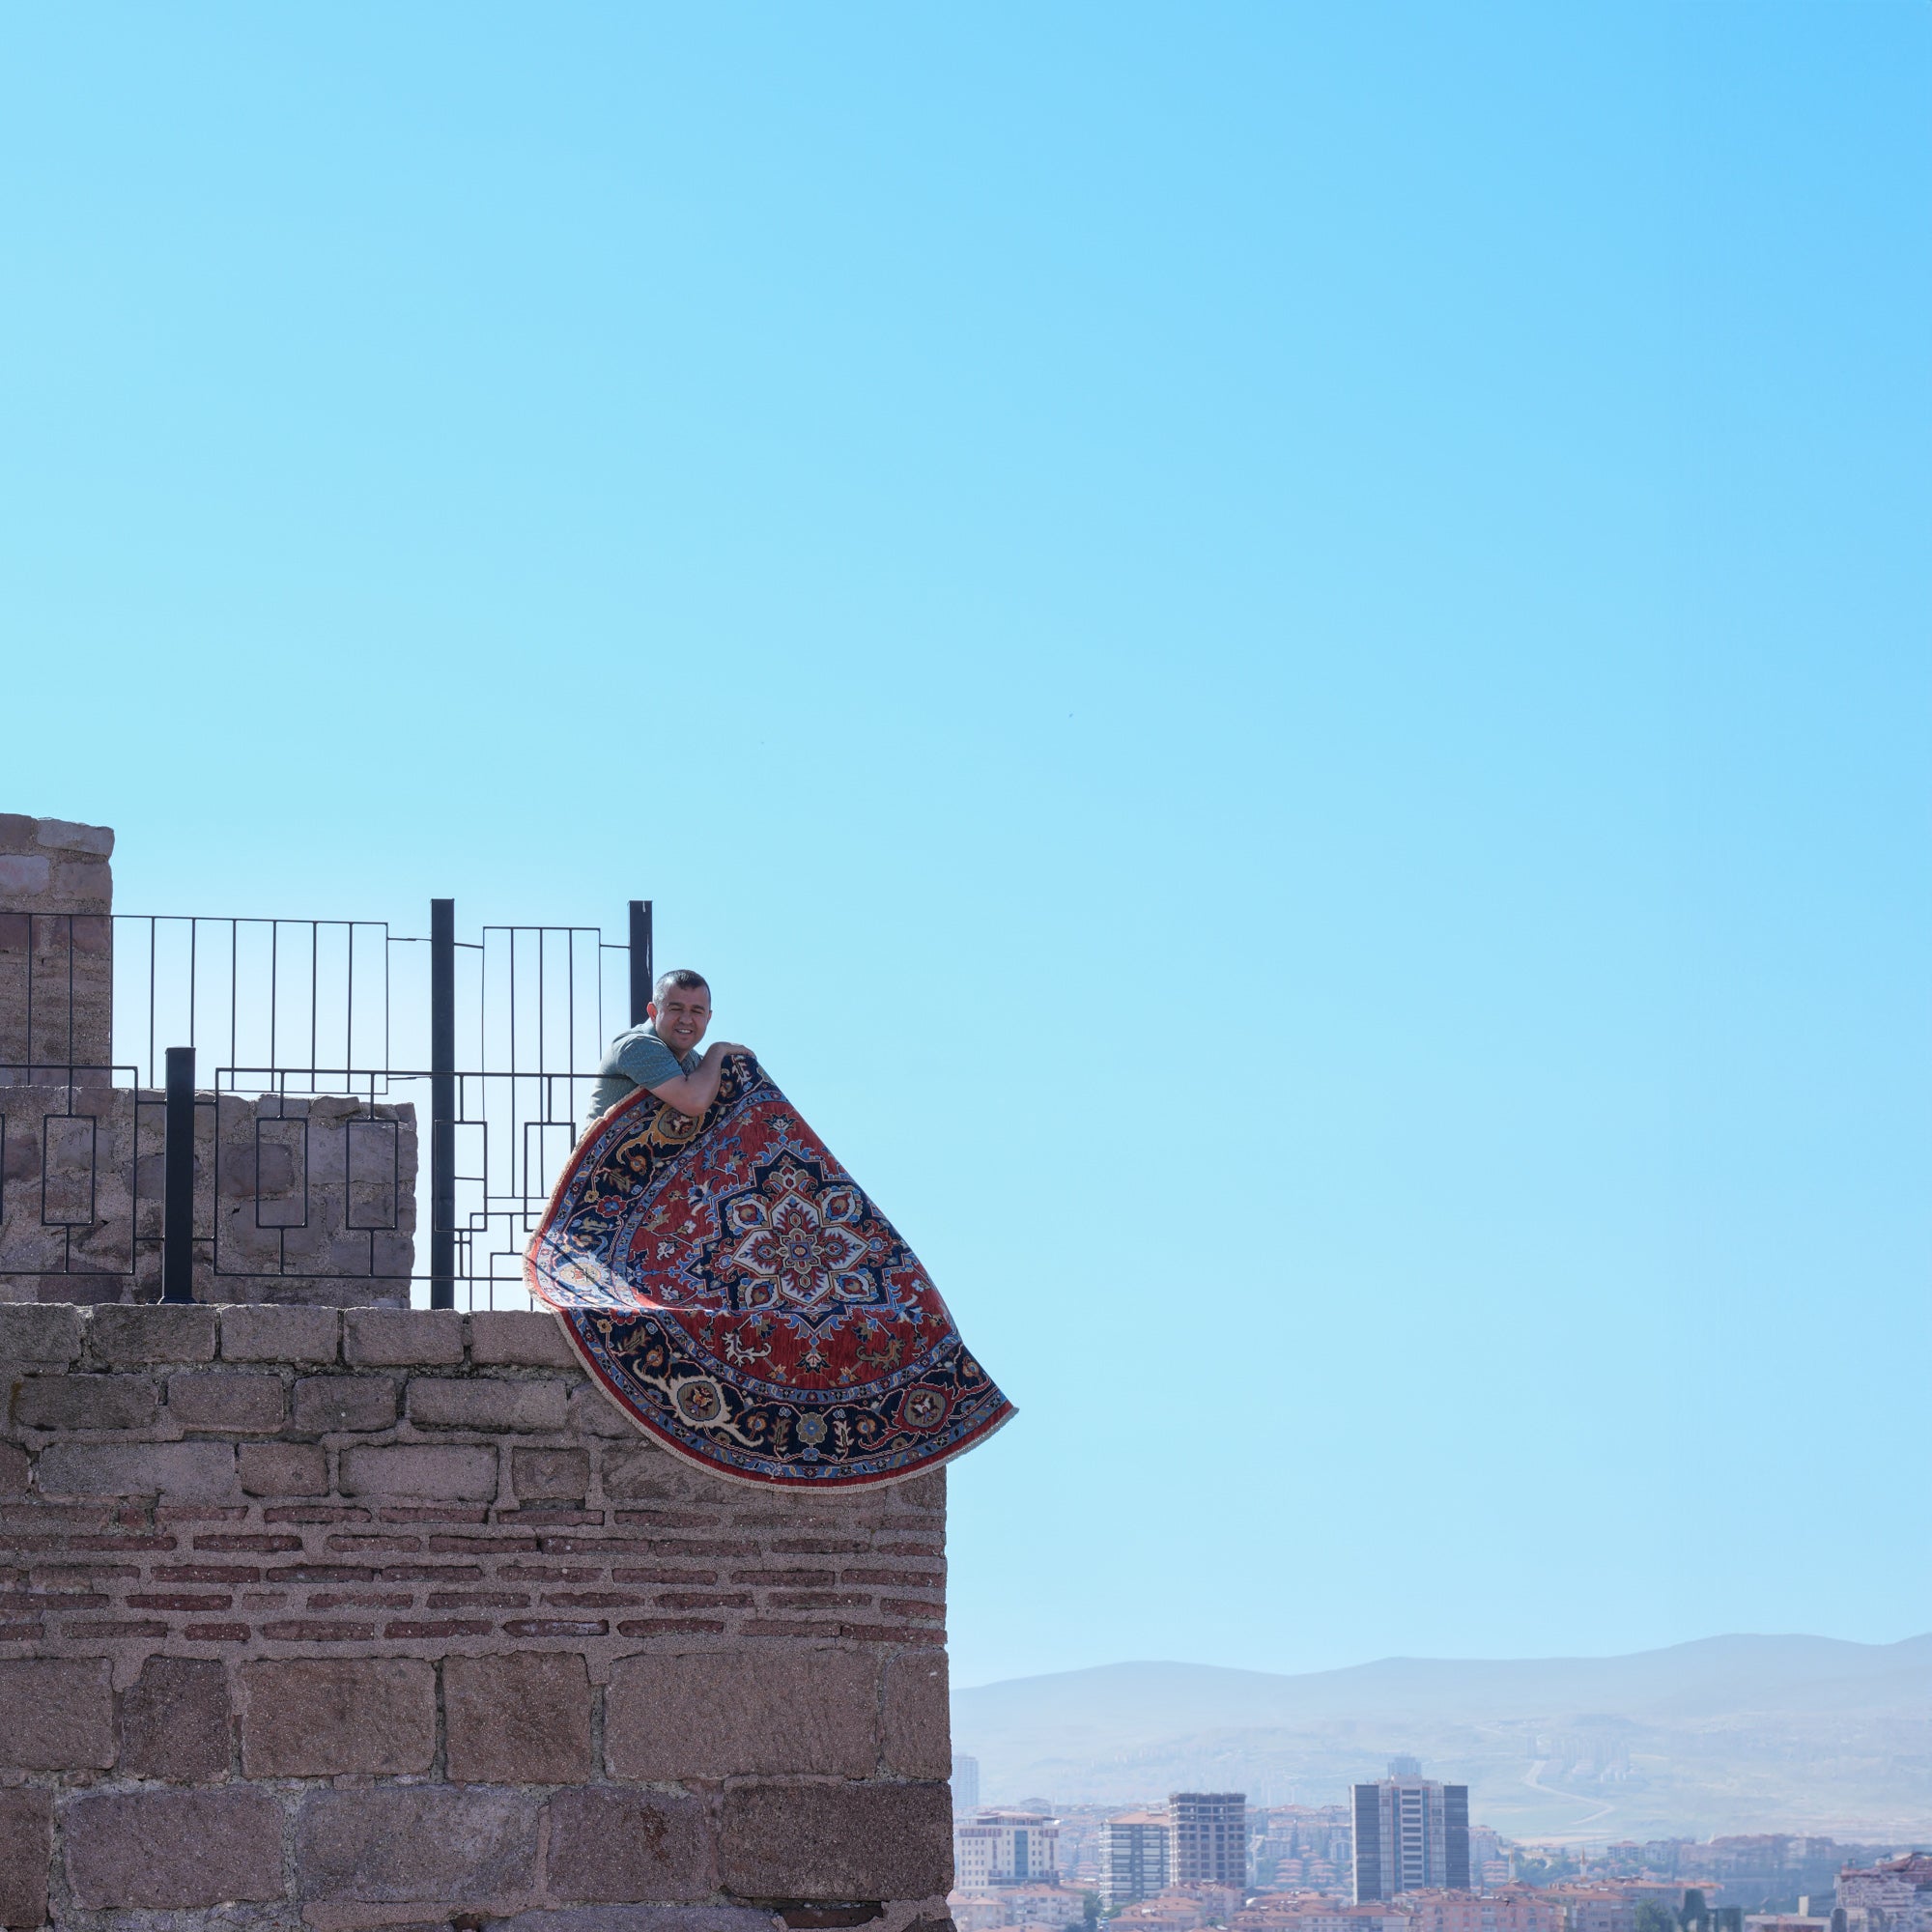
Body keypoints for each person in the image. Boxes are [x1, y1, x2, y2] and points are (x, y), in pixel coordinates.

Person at [582, 969, 751, 1133]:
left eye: (696, 1011)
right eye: (676, 1009)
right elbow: (694, 1101)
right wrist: (717, 1050)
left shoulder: (692, 1061)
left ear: (708, 1018)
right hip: (607, 1161)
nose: (686, 1019)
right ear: (654, 1012)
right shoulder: (636, 1045)